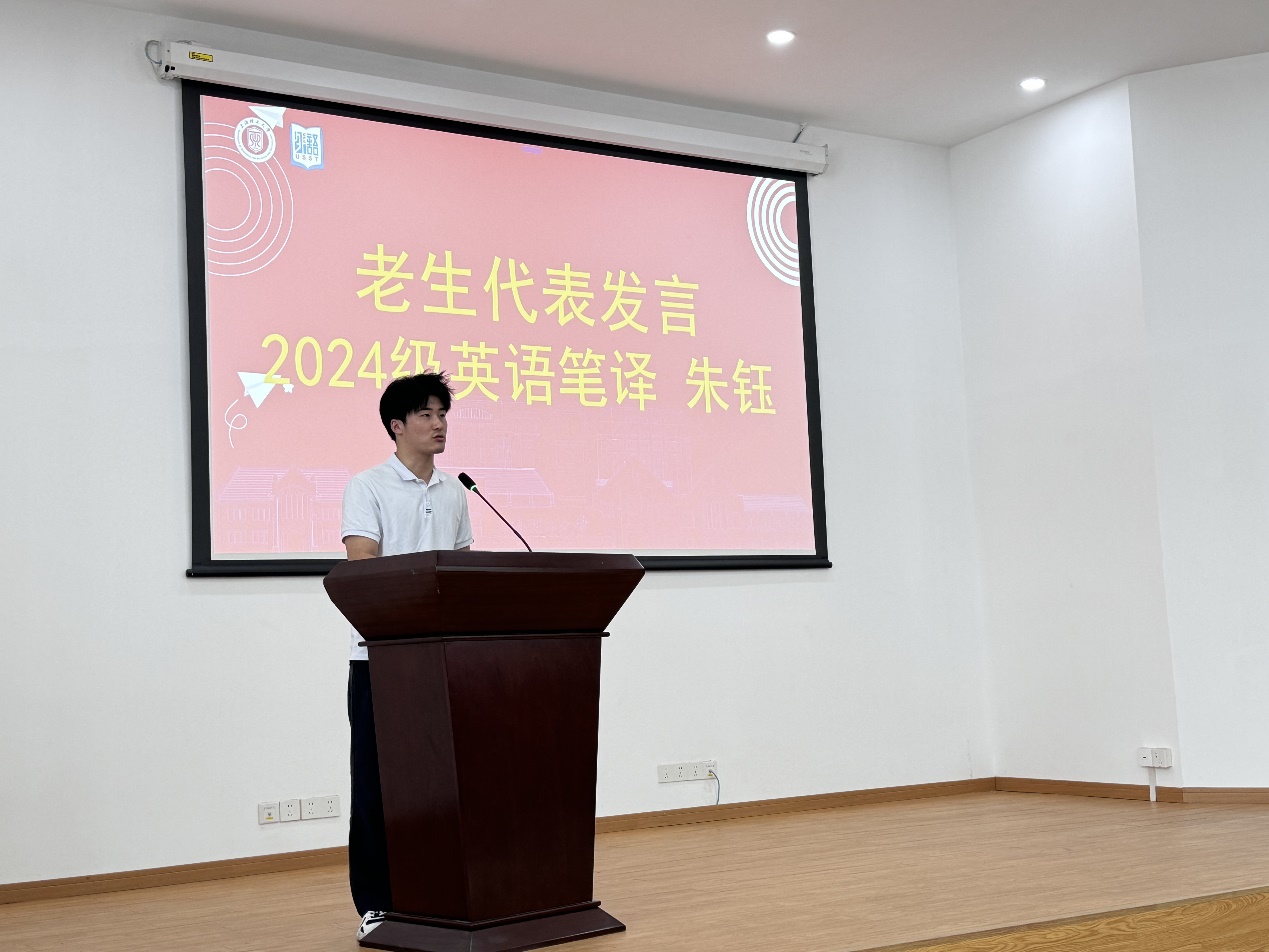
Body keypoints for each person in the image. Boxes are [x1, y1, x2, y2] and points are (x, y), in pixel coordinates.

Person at [340, 372, 473, 941]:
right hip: (382, 660)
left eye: (442, 413)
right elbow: (363, 565)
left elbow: (463, 572)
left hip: (443, 659)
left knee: (442, 786)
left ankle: (438, 893)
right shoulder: (367, 486)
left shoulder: (455, 492)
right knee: (377, 787)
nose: (439, 424)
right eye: (426, 414)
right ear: (396, 425)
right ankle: (376, 903)